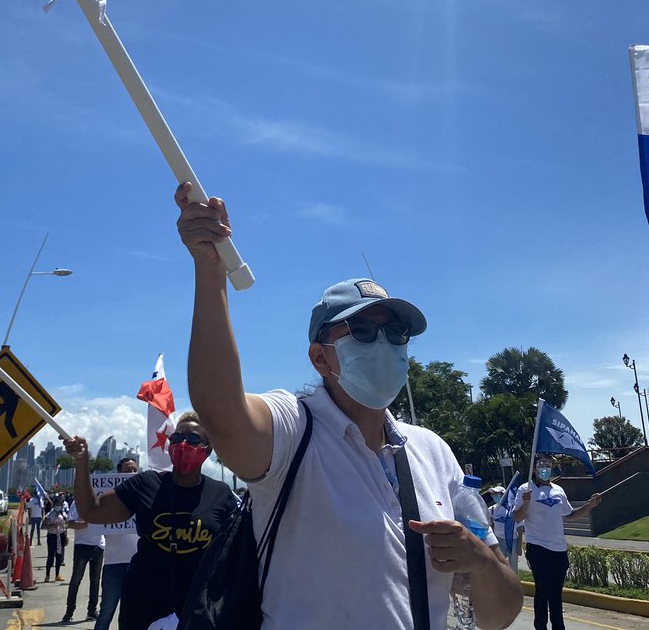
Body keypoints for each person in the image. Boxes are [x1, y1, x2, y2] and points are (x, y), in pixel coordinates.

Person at [172, 183, 522, 630]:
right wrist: (209, 268)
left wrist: (482, 563)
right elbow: (222, 411)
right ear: (320, 358)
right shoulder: (295, 428)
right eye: (362, 331)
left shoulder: (433, 452)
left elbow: (501, 616)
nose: (385, 344)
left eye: (397, 334)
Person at [64, 413, 238, 630]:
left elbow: (235, 556)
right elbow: (91, 511)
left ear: (208, 449)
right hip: (143, 609)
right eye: (176, 438)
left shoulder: (221, 495)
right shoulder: (146, 484)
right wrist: (82, 463)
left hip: (197, 612)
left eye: (193, 439)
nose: (183, 444)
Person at [511, 456, 602, 630]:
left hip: (559, 548)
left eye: (548, 464)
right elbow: (517, 517)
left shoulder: (558, 490)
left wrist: (589, 505)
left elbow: (570, 515)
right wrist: (526, 502)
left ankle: (558, 626)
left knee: (556, 593)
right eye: (541, 464)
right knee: (543, 591)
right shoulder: (526, 489)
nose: (545, 468)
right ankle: (541, 626)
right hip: (538, 547)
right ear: (534, 468)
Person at [94, 457, 139, 630]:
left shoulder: (144, 495)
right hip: (113, 565)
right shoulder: (109, 498)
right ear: (118, 472)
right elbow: (96, 521)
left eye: (134, 469)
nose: (131, 473)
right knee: (106, 612)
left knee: (131, 613)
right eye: (127, 469)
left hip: (137, 564)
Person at [64, 493, 106, 624]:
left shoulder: (100, 503)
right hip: (82, 545)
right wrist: (88, 522)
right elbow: (70, 523)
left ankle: (92, 611)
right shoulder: (78, 503)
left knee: (95, 581)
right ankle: (69, 611)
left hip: (98, 545)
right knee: (76, 580)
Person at [45, 494, 69, 583]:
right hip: (52, 536)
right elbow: (43, 526)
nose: (58, 506)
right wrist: (51, 525)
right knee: (51, 556)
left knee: (59, 556)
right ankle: (47, 575)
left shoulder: (63, 514)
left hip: (61, 535)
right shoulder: (49, 514)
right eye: (57, 504)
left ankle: (57, 574)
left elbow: (65, 526)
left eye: (60, 504)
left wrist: (66, 537)